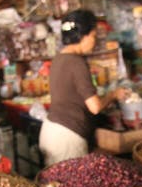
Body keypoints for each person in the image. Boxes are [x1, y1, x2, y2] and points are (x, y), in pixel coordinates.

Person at [40, 9, 129, 166]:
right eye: (93, 36)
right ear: (83, 36)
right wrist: (113, 95)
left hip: (51, 132)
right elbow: (95, 107)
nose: (94, 42)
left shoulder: (59, 58)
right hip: (67, 137)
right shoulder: (76, 62)